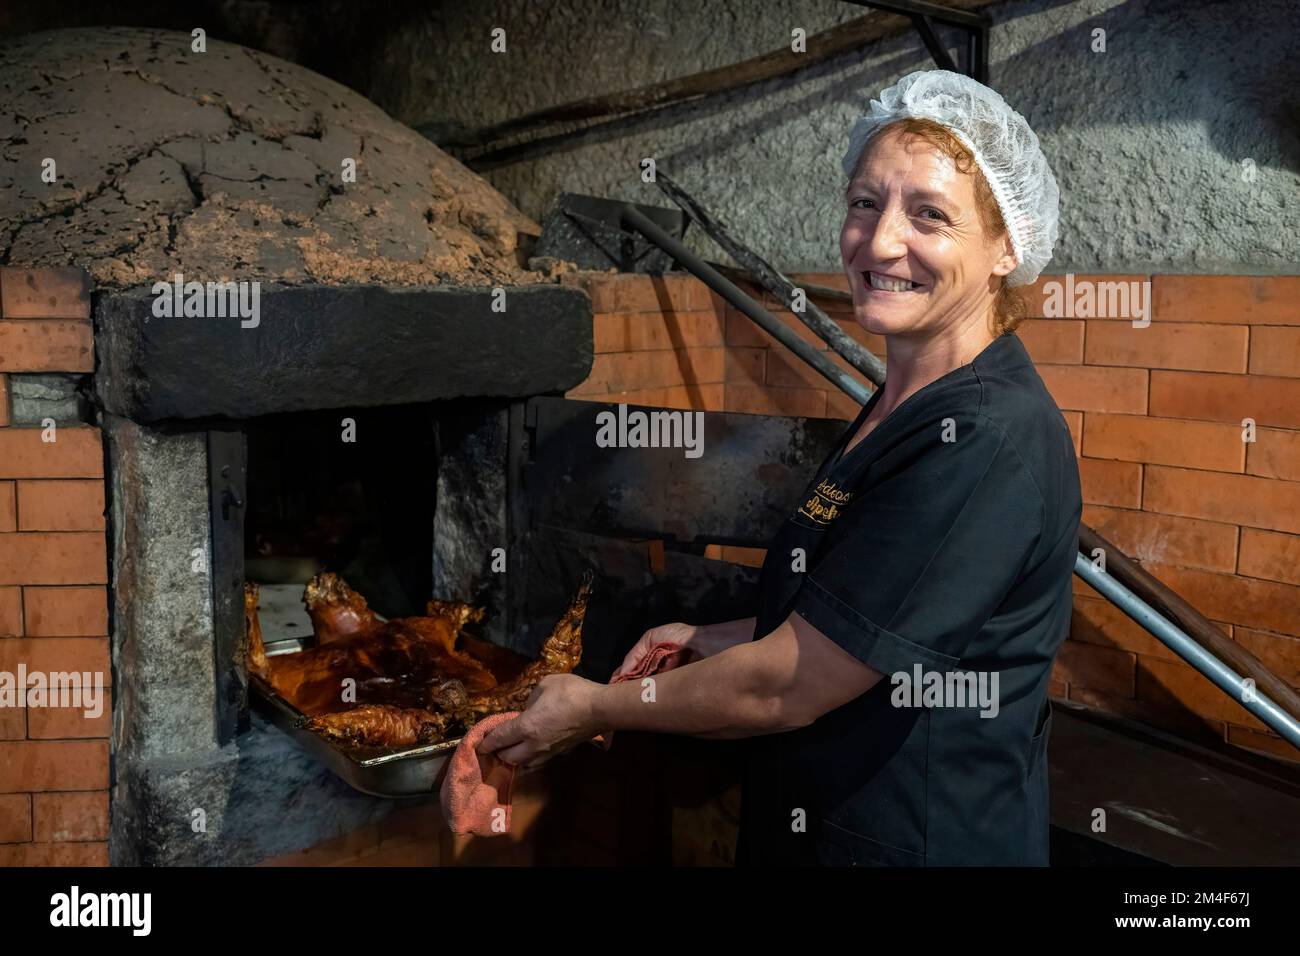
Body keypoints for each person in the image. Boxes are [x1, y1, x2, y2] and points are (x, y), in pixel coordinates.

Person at [479, 69, 1082, 866]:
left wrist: (597, 706)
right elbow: (856, 612)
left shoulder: (983, 440)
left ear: (1007, 246)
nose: (880, 241)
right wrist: (712, 633)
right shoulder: (901, 401)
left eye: (929, 215)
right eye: (865, 203)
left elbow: (786, 684)